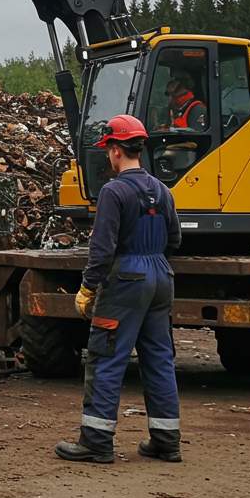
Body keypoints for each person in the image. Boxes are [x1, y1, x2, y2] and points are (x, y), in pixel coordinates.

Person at [55, 114, 183, 464]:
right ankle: (166, 440)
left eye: (107, 149)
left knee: (107, 356)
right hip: (160, 275)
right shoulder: (162, 190)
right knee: (159, 358)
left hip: (127, 277)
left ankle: (96, 440)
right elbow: (175, 239)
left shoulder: (114, 192)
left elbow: (102, 249)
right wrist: (152, 259)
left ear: (114, 150)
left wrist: (88, 287)